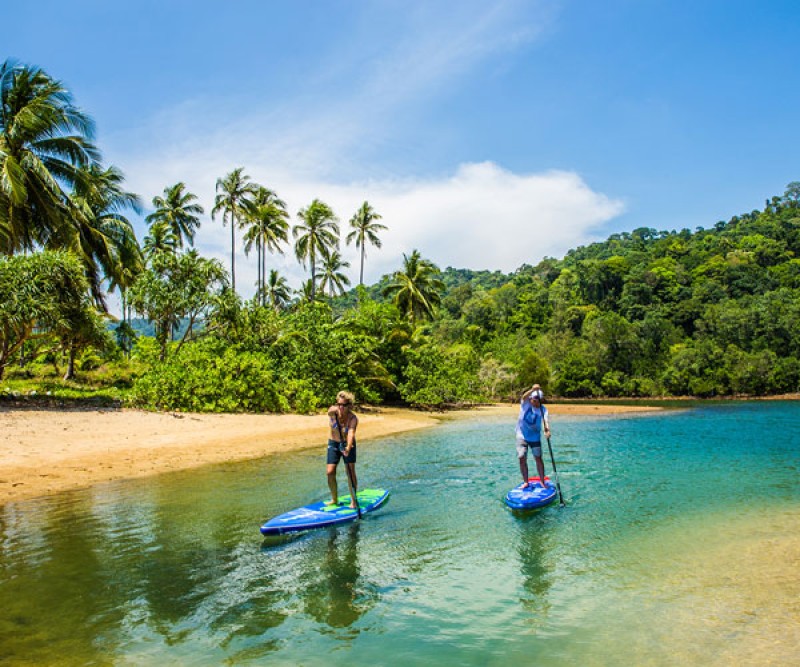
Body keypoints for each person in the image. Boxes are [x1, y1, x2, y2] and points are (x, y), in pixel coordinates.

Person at [327, 390, 359, 508]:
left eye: (344, 405)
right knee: (330, 472)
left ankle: (354, 501)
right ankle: (334, 499)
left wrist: (348, 447)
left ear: (349, 406)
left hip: (347, 444)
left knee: (349, 471)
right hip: (334, 443)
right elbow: (330, 411)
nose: (340, 407)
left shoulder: (353, 419)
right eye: (339, 404)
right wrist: (333, 410)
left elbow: (351, 433)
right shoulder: (333, 411)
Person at [515, 385, 550, 489]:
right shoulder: (525, 403)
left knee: (538, 458)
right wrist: (532, 390)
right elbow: (523, 397)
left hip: (535, 437)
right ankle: (526, 482)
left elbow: (545, 422)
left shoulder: (543, 410)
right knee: (521, 457)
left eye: (536, 400)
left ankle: (542, 481)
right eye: (533, 399)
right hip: (521, 435)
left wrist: (547, 430)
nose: (534, 402)